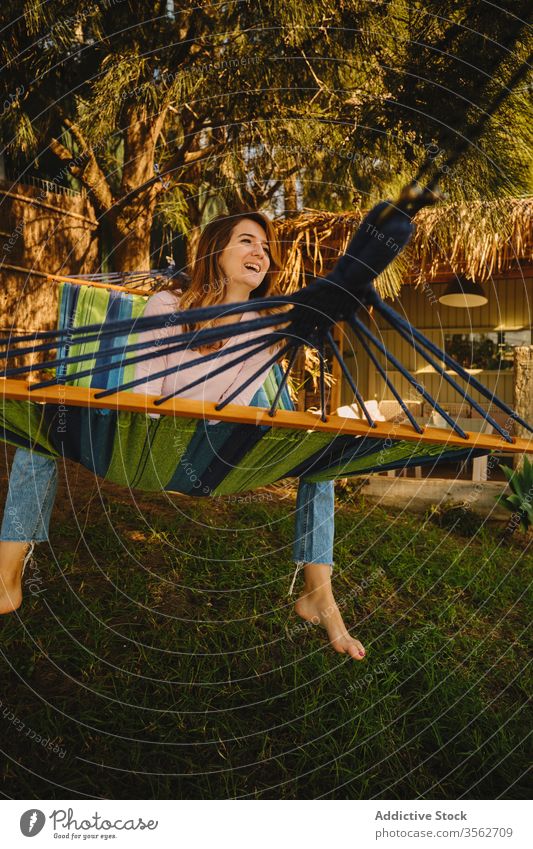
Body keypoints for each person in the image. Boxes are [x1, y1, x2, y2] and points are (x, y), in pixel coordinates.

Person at [0, 211, 366, 661]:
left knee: (320, 454)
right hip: (141, 440)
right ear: (217, 251)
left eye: (266, 248)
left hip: (211, 452)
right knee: (38, 425)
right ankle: (7, 578)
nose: (261, 253)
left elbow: (234, 401)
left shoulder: (268, 328)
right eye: (247, 241)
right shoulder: (169, 306)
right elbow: (145, 392)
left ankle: (318, 596)